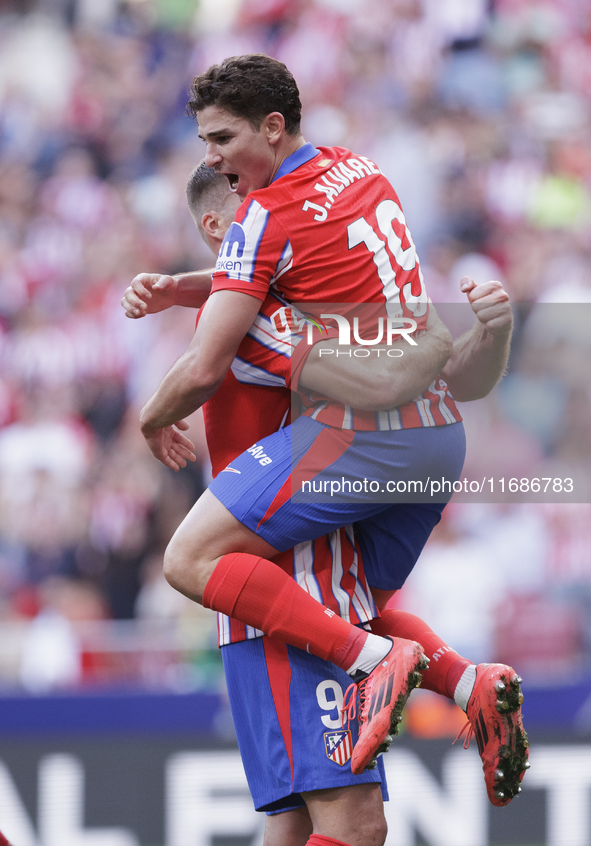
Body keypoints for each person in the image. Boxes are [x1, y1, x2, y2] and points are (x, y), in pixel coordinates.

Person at [123, 162, 526, 843]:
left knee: (334, 822)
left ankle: (407, 668)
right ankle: (453, 681)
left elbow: (204, 366)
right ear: (221, 226)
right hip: (278, 572)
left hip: (276, 569)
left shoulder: (268, 308)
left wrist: (153, 404)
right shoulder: (270, 304)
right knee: (314, 821)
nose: (281, 220)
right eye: (257, 207)